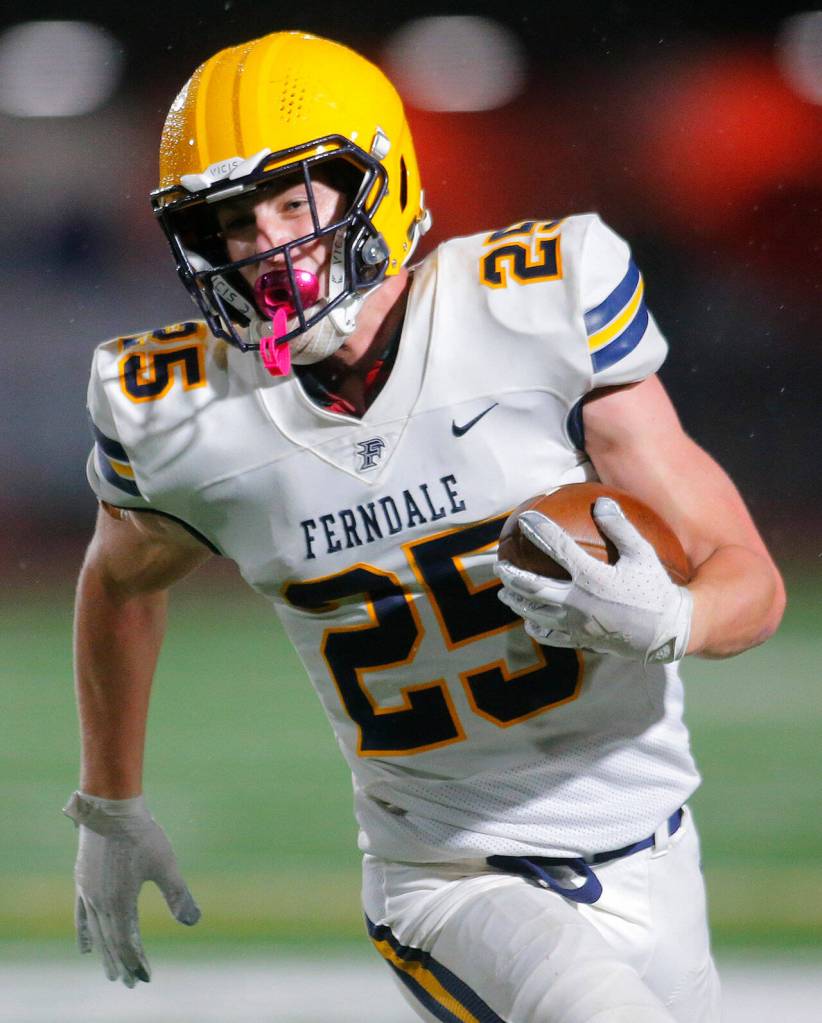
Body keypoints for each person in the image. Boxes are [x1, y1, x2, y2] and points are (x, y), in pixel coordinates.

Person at [64, 30, 785, 1023]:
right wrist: (110, 803)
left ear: (382, 183)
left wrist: (674, 620)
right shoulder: (185, 412)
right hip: (452, 879)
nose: (262, 248)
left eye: (292, 202)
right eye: (228, 221)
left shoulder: (534, 306)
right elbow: (117, 581)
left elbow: (749, 580)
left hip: (657, 848)